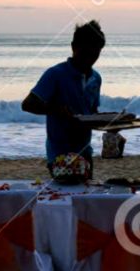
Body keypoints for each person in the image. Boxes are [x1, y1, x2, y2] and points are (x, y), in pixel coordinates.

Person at [22, 20, 105, 175]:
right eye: (85, 53)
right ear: (73, 47)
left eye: (94, 54)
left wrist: (112, 125)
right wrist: (55, 109)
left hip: (85, 153)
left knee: (86, 197)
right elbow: (27, 104)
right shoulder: (55, 74)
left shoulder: (96, 78)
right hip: (60, 156)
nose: (89, 60)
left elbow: (91, 113)